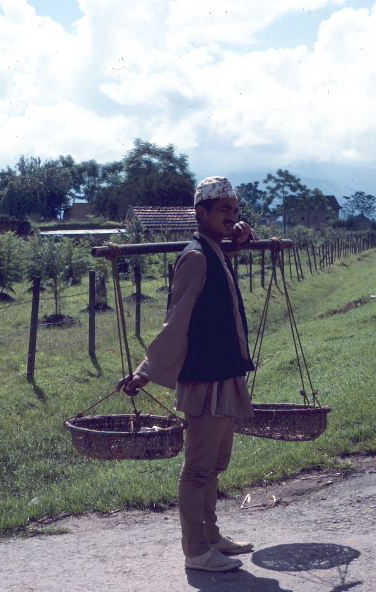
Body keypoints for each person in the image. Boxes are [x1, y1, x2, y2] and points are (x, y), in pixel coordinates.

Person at [117, 176, 257, 573]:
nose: (232, 217)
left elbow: (234, 241)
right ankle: (196, 552)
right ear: (201, 213)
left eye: (234, 210)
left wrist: (241, 234)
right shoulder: (195, 256)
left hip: (225, 371)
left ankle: (211, 536)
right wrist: (146, 371)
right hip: (204, 377)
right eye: (224, 210)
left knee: (215, 464)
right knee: (197, 468)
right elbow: (175, 321)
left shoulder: (216, 248)